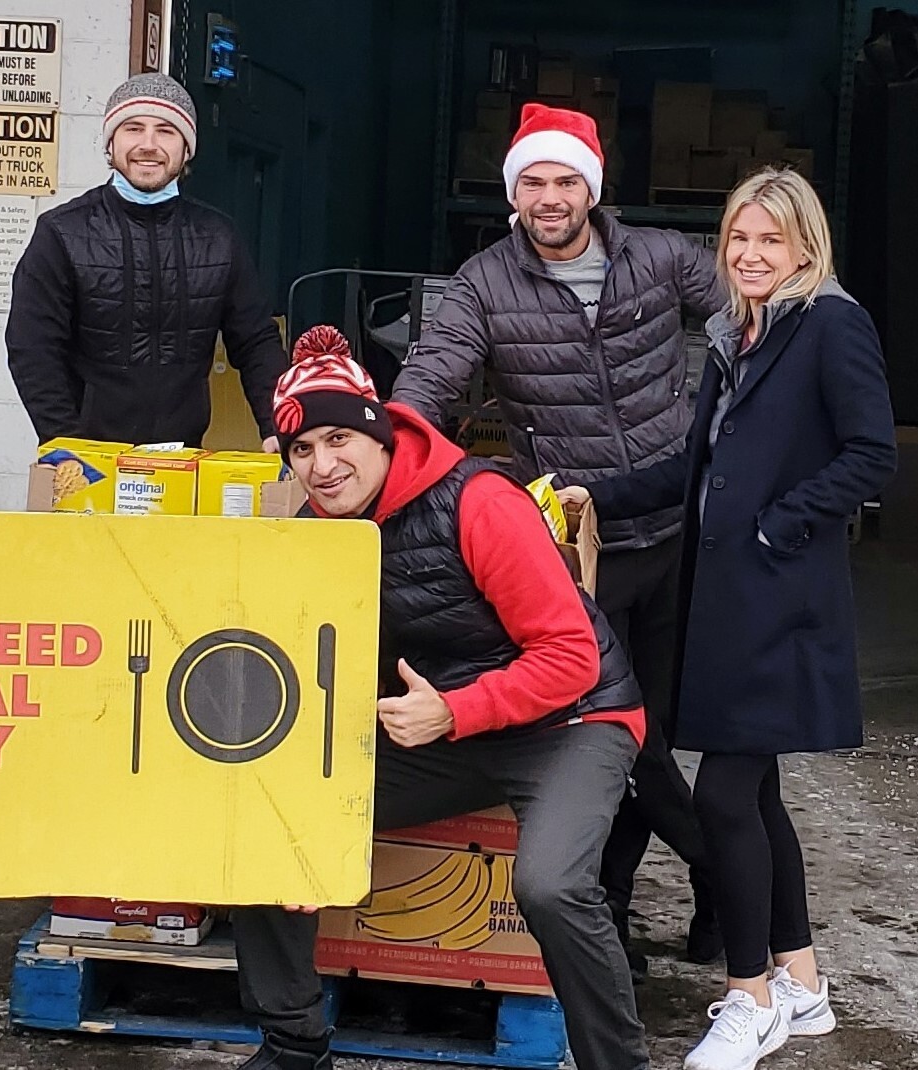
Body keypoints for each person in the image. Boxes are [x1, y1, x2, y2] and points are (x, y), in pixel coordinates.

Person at [231, 325, 648, 1070]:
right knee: (269, 818)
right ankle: (293, 1044)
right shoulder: (313, 531)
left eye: (337, 440)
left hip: (570, 719)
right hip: (443, 734)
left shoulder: (478, 502)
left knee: (550, 884)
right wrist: (304, 836)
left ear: (378, 432)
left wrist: (455, 710)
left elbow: (570, 657)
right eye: (301, 450)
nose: (322, 467)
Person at [559, 168, 897, 1070]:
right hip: (725, 604)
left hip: (781, 602)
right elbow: (690, 464)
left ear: (804, 247)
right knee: (755, 794)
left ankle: (748, 995)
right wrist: (596, 488)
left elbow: (871, 453)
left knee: (720, 793)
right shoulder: (730, 333)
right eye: (738, 240)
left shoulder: (831, 324)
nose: (750, 255)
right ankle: (804, 984)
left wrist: (777, 521)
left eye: (769, 241)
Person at [392, 102, 725, 972]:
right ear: (512, 193)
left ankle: (642, 902)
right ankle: (711, 883)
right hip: (583, 547)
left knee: (674, 728)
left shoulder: (657, 256)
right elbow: (433, 371)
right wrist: (385, 446)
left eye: (564, 179)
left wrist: (750, 430)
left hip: (682, 526)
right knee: (621, 734)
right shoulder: (482, 284)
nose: (548, 196)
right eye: (531, 182)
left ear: (591, 188)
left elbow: (748, 320)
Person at [6, 72, 287, 449]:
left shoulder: (219, 237)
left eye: (166, 131)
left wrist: (277, 427)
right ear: (111, 143)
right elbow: (33, 348)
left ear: (187, 149)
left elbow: (256, 342)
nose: (148, 144)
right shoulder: (61, 233)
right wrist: (64, 441)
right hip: (85, 456)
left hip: (184, 457)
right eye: (133, 128)